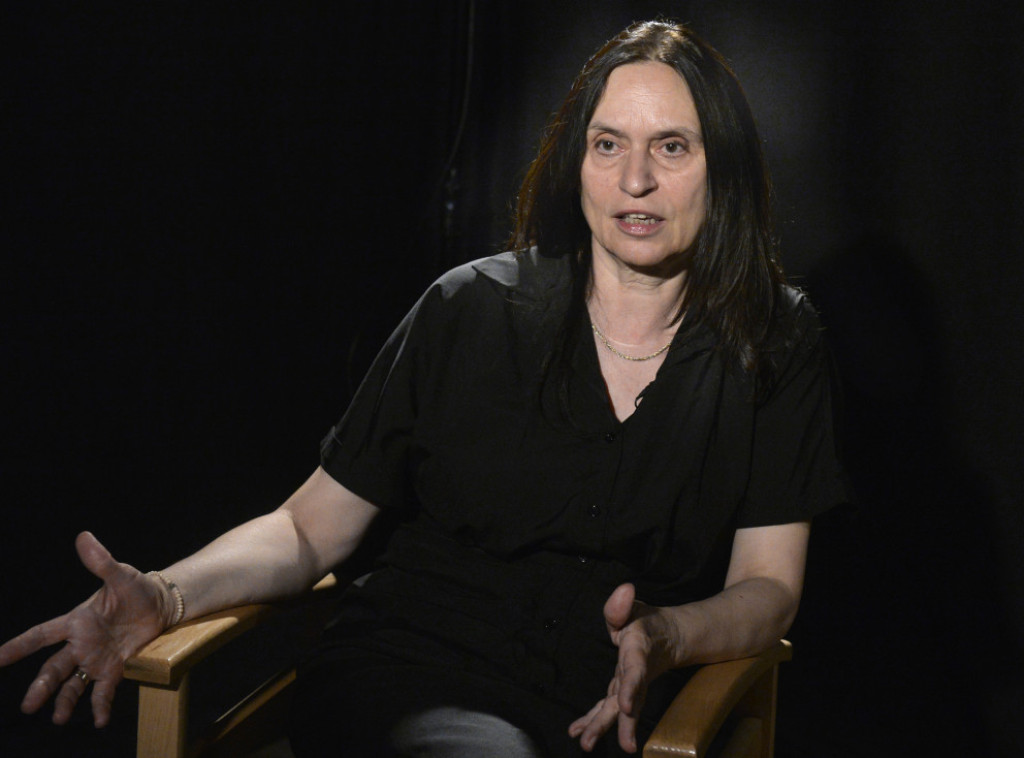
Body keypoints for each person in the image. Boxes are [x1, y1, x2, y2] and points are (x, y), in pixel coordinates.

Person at [0, 20, 848, 757]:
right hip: (410, 674)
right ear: (576, 163)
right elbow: (308, 529)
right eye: (607, 144)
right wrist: (166, 592)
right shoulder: (469, 307)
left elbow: (770, 586)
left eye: (671, 146)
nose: (635, 180)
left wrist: (670, 635)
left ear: (722, 166)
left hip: (604, 704)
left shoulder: (774, 339)